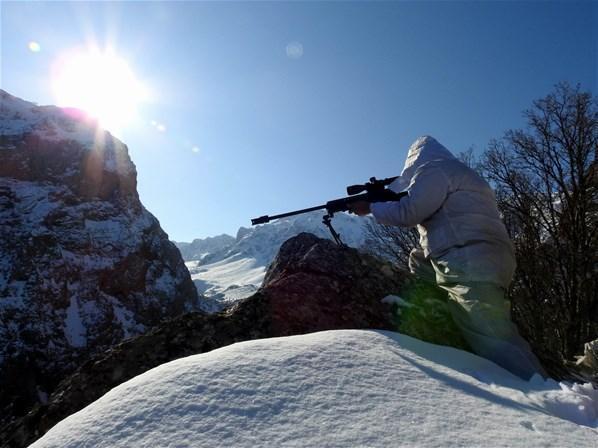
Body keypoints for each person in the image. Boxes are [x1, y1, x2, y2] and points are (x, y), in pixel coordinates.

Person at [348, 136, 546, 380]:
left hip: (468, 256)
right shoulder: (460, 172)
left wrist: (373, 207)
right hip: (484, 253)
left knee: (489, 330)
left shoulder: (433, 171)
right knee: (419, 259)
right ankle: (436, 305)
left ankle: (543, 390)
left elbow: (409, 212)